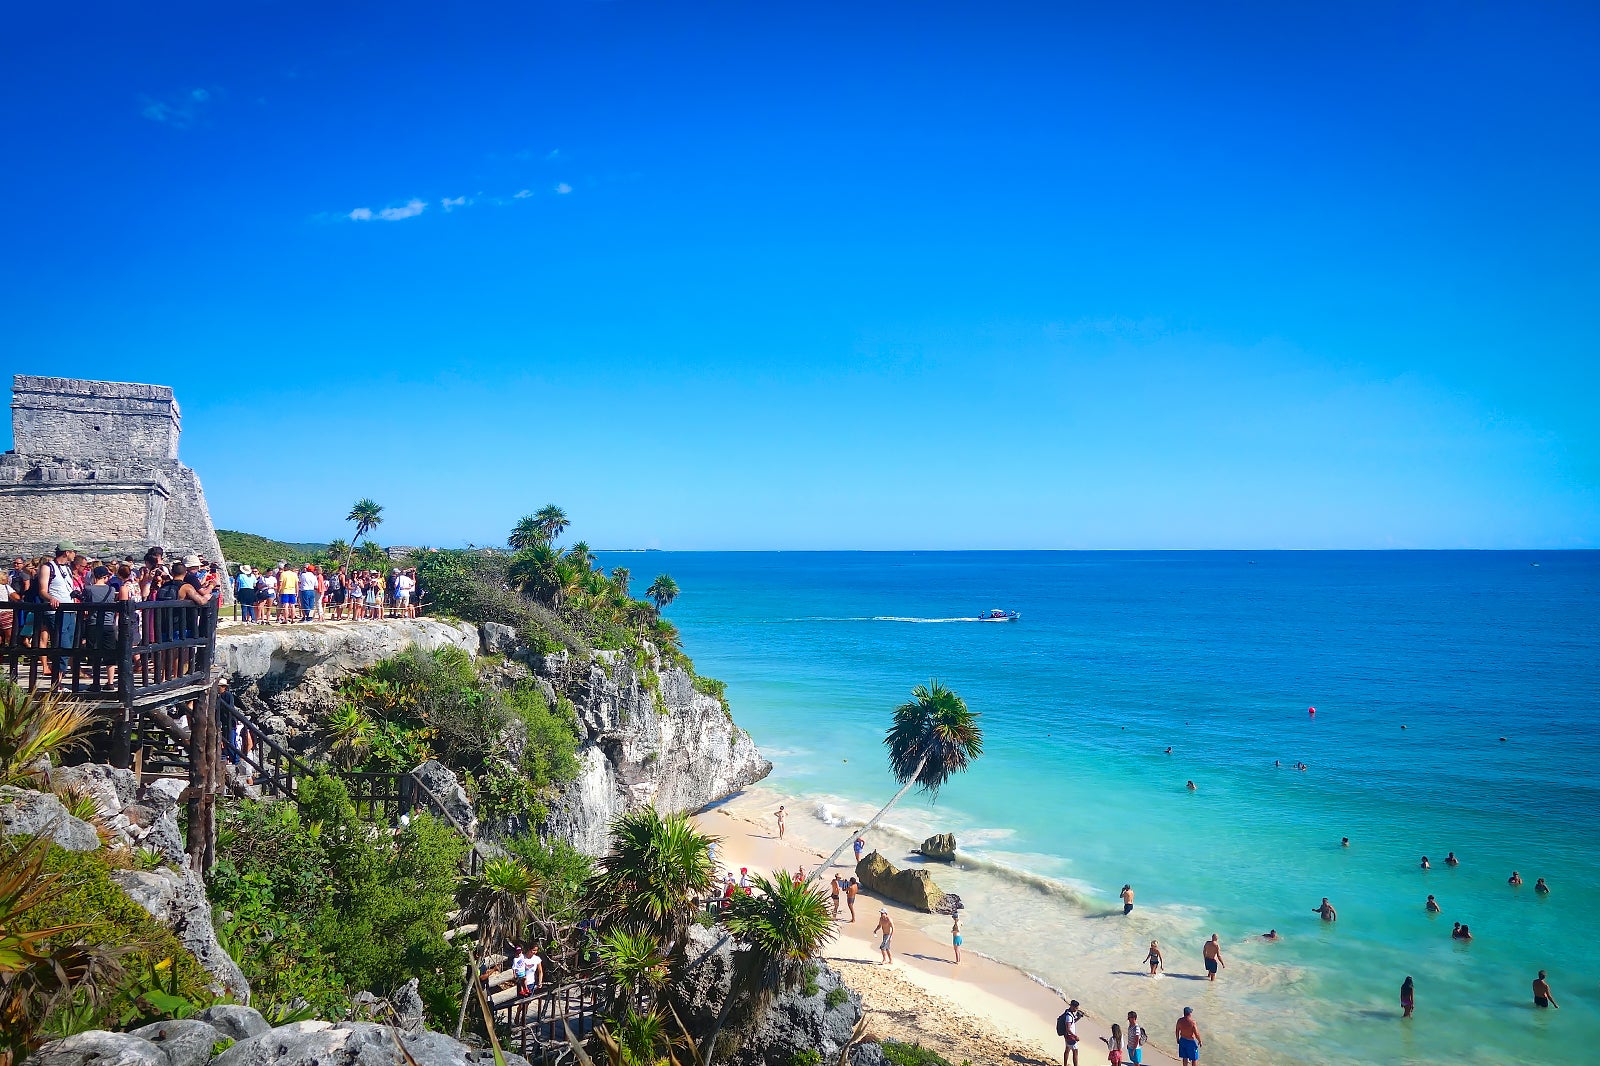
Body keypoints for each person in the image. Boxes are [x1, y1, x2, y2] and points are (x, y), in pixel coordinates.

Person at [1060, 999, 1082, 1066]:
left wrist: (1078, 1018)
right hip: (1070, 1037)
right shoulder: (1068, 1016)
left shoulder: (1069, 1013)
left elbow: (1072, 1022)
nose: (1077, 1009)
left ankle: (1065, 1064)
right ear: (1072, 1006)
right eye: (1076, 1008)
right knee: (1075, 1052)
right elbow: (1068, 1029)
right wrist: (1075, 1036)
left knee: (1067, 1050)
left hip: (1067, 1036)